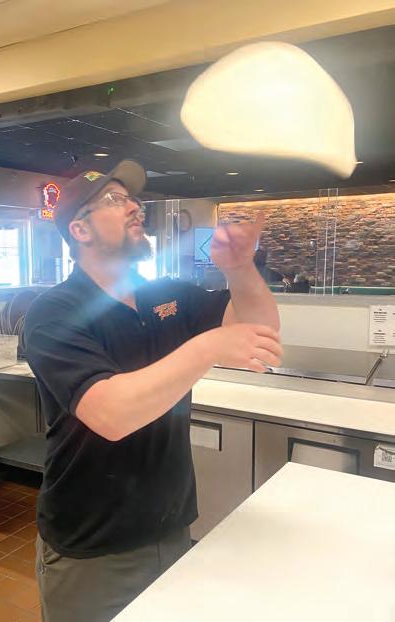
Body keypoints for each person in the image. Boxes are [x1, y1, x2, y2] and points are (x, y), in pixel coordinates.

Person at [24, 160, 282, 622]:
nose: (134, 207)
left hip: (171, 527)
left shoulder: (165, 294)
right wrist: (208, 346)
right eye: (114, 200)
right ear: (80, 230)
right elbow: (111, 415)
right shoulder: (53, 311)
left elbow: (260, 332)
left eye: (133, 199)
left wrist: (240, 269)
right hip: (94, 544)